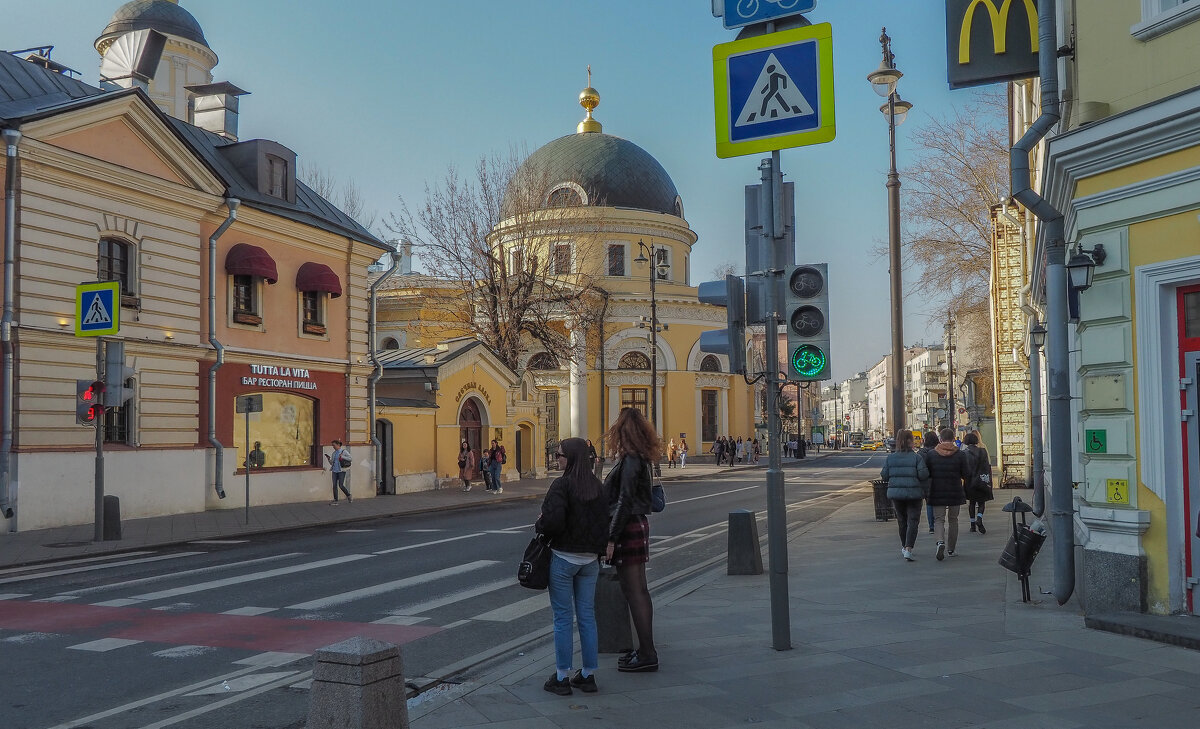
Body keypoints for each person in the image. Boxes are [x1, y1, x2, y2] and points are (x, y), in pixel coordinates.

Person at [537, 437, 609, 696]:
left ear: (571, 458)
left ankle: (561, 677)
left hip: (564, 560)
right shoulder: (598, 487)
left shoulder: (562, 485)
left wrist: (541, 522)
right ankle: (588, 675)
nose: (557, 459)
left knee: (563, 618)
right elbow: (605, 524)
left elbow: (552, 523)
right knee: (587, 617)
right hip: (590, 562)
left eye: (559, 455)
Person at [604, 407, 659, 673]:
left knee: (634, 590)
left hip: (627, 526)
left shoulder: (630, 460)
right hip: (637, 523)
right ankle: (645, 650)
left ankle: (648, 653)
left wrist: (611, 538)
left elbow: (624, 501)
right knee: (640, 589)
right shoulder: (641, 459)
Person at [923, 428, 972, 560]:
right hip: (955, 490)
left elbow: (926, 473)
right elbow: (966, 474)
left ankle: (940, 542)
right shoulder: (960, 455)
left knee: (939, 519)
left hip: (936, 490)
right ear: (953, 438)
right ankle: (951, 549)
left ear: (940, 439)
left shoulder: (932, 454)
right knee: (953, 520)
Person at [881, 429, 930, 561]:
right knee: (913, 521)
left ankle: (904, 546)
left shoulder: (890, 458)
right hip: (914, 494)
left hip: (896, 494)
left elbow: (884, 475)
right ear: (910, 441)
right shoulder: (916, 457)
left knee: (902, 521)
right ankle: (909, 548)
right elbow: (923, 475)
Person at [963, 431, 993, 533]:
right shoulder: (983, 451)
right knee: (981, 502)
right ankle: (979, 518)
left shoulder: (964, 453)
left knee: (971, 503)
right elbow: (987, 466)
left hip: (970, 481)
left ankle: (972, 525)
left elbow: (963, 469)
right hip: (981, 480)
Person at [917, 431, 940, 533]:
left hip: (925, 482)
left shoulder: (920, 454)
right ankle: (938, 523)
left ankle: (931, 526)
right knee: (938, 504)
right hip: (937, 480)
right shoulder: (938, 451)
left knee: (929, 503)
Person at [324, 439, 352, 504]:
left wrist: (342, 456)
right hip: (334, 470)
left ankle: (348, 495)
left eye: (334, 445)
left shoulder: (343, 451)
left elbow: (350, 458)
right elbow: (332, 463)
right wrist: (329, 459)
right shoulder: (334, 453)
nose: (333, 447)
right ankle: (335, 500)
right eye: (332, 446)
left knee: (341, 485)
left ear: (338, 445)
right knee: (334, 485)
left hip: (341, 470)